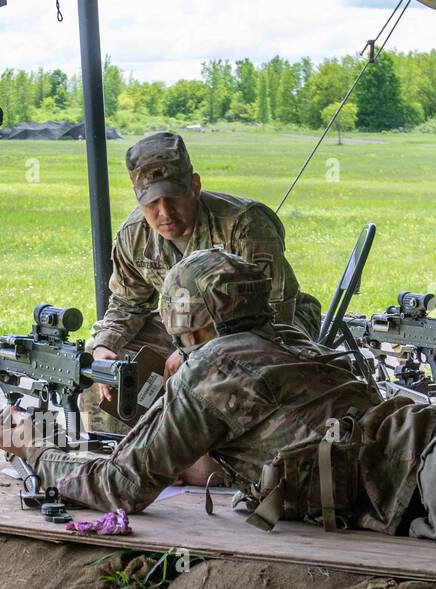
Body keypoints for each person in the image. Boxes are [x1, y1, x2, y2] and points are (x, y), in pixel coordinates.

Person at [0, 249, 436, 554]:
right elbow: (258, 442)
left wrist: (39, 456)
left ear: (189, 321)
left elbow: (122, 486)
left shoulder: (209, 368)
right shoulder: (294, 339)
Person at [82, 131, 322, 432]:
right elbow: (127, 304)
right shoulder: (134, 235)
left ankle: (217, 457)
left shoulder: (245, 225)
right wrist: (105, 347)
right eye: (152, 203)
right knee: (111, 386)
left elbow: (274, 313)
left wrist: (193, 352)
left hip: (267, 328)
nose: (164, 212)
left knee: (227, 383)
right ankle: (134, 459)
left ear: (195, 186)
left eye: (174, 197)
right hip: (183, 326)